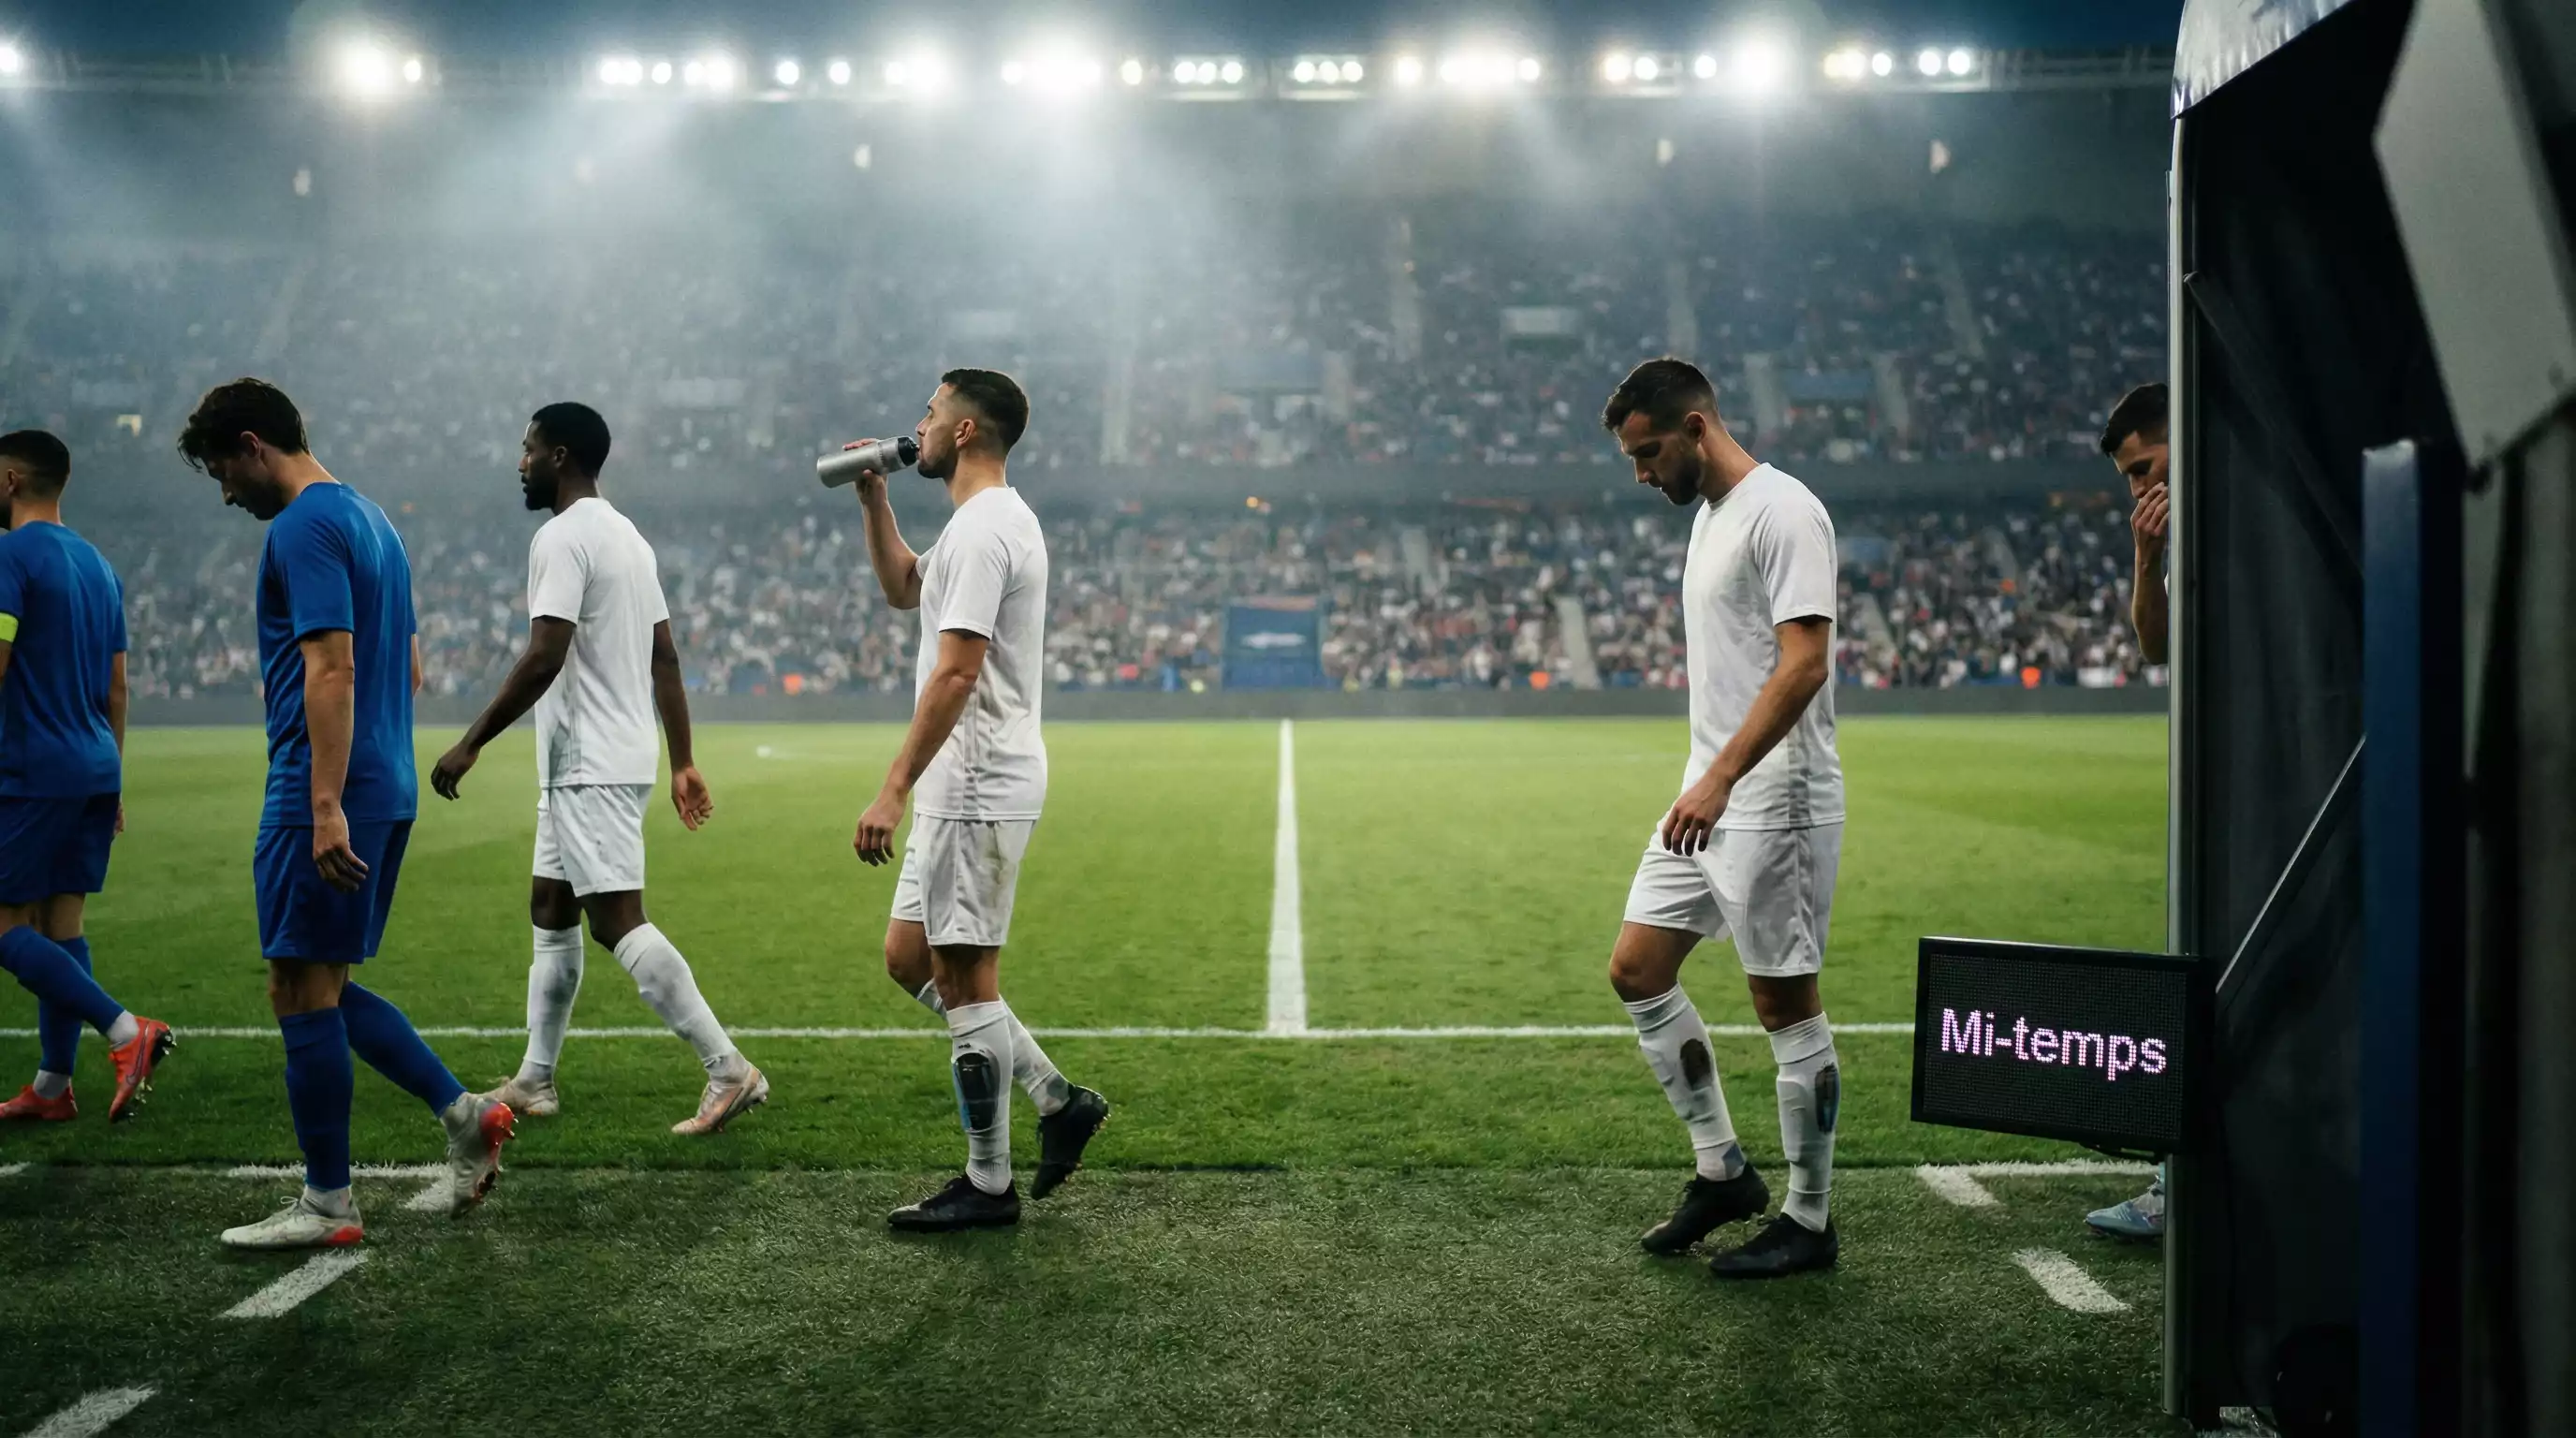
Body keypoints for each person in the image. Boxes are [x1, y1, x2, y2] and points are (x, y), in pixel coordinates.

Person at [179, 378, 513, 1250]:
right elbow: (407, 666)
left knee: (297, 986)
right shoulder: (374, 521)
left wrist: (324, 799)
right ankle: (464, 1114)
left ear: (253, 445)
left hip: (321, 789)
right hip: (383, 781)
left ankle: (328, 1202)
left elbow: (334, 667)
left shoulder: (304, 526)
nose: (223, 493)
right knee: (324, 985)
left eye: (222, 471)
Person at [431, 403, 767, 1134]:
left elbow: (546, 652)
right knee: (551, 912)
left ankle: (728, 1068)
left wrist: (474, 740)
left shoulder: (561, 537)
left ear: (559, 456)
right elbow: (665, 655)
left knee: (618, 922)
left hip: (589, 761)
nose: (519, 461)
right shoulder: (628, 538)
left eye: (528, 448)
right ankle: (536, 1079)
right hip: (596, 759)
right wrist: (682, 761)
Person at [1599, 358, 1846, 1280]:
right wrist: (1705, 781)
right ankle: (1723, 1172)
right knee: (1636, 967)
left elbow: (1804, 662)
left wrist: (1722, 779)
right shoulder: (1708, 520)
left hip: (1773, 796)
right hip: (1709, 791)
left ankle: (1811, 1221)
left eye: (1648, 451)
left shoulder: (1784, 511)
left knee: (1785, 1005)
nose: (1641, 474)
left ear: (1696, 427)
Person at [847, 369, 1109, 1231]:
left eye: (930, 412)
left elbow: (958, 670)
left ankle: (987, 1183)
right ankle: (1055, 1097)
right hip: (967, 780)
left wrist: (893, 788)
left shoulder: (990, 527)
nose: (916, 424)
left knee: (966, 980)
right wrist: (873, 500)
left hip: (975, 778)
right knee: (909, 959)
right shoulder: (974, 526)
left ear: (964, 431)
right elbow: (901, 588)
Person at [0, 431, 174, 1123]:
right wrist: (117, 779)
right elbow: (119, 687)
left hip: (33, 768)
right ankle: (52, 1084)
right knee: (60, 924)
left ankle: (128, 1032)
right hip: (95, 764)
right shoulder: (100, 565)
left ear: (11, 479)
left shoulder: (11, 556)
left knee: (9, 925)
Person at [2086, 380, 2171, 1242]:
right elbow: (2157, 645)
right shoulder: (2175, 526)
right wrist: (2147, 560)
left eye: (2146, 465)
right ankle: (2173, 1180)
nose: (2140, 488)